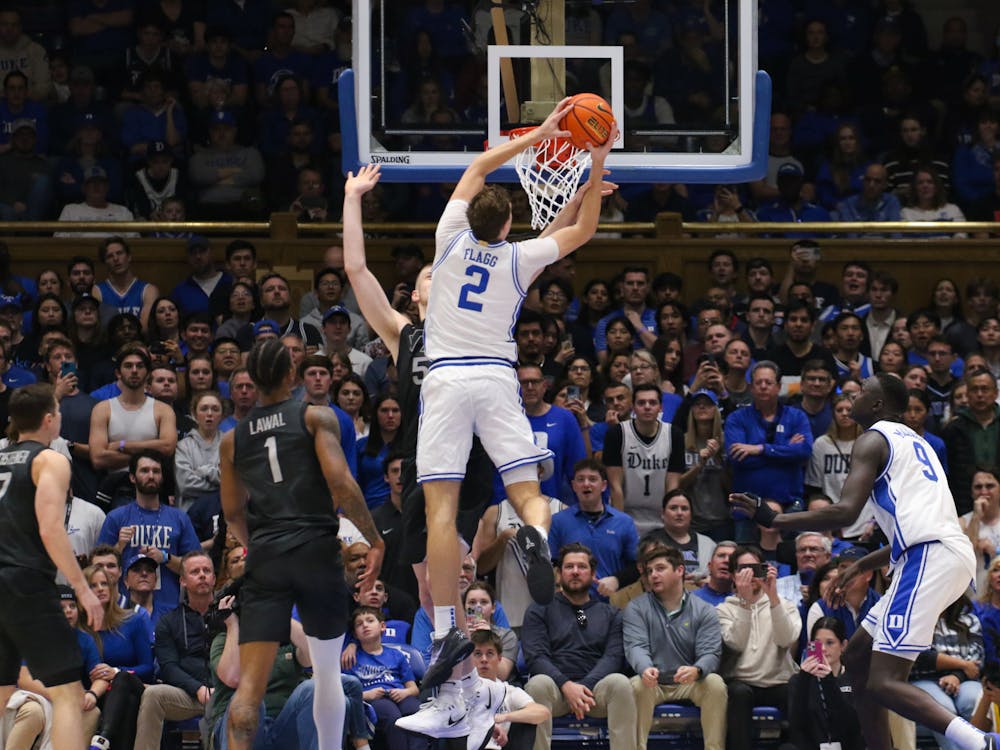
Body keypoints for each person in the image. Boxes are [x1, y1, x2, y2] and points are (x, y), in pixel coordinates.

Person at [730, 373, 991, 750]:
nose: (852, 393)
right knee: (857, 655)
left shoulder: (874, 438)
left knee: (885, 681)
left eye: (862, 390)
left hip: (929, 557)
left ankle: (978, 742)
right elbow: (921, 528)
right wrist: (863, 563)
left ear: (879, 405)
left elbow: (845, 512)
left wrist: (775, 520)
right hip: (939, 552)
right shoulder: (919, 445)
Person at [219, 339, 383, 750]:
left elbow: (233, 512)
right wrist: (374, 539)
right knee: (327, 674)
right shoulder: (315, 417)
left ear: (251, 382)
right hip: (315, 548)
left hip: (267, 555)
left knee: (247, 695)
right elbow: (342, 483)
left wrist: (258, 546)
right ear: (291, 375)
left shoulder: (232, 440)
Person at [0, 383, 103, 750]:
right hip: (24, 582)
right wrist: (82, 588)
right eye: (59, 411)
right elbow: (50, 527)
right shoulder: (50, 459)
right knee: (68, 695)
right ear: (50, 420)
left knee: (0, 693)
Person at [521, 543, 637, 750]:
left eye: (582, 567)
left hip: (595, 692)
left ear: (593, 574)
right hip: (555, 690)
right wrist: (566, 685)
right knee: (537, 684)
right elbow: (536, 657)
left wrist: (583, 687)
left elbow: (613, 657)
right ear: (559, 574)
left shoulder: (611, 614)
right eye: (569, 567)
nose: (575, 572)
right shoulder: (539, 609)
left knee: (620, 683)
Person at [623, 544, 726, 750]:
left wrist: (697, 669)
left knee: (715, 684)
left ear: (680, 570)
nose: (653, 575)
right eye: (650, 571)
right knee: (634, 686)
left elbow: (711, 652)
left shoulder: (704, 610)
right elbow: (635, 645)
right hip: (653, 681)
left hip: (690, 680)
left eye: (660, 569)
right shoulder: (636, 607)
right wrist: (644, 668)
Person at [718, 545, 802, 750]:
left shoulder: (785, 605)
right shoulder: (723, 610)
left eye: (754, 569)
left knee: (798, 686)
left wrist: (773, 599)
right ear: (733, 576)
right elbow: (735, 643)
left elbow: (786, 639)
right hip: (742, 682)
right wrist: (745, 604)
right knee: (738, 693)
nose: (750, 575)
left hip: (778, 680)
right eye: (743, 570)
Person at [97, 450, 201, 612]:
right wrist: (119, 546)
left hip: (169, 609)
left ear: (162, 477)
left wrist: (166, 558)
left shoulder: (179, 518)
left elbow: (196, 568)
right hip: (122, 610)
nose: (151, 476)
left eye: (156, 471)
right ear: (132, 477)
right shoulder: (115, 518)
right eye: (144, 470)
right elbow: (98, 570)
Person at [133, 551, 217, 750]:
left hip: (228, 692)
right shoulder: (169, 621)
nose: (202, 575)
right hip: (189, 694)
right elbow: (169, 667)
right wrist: (198, 689)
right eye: (195, 571)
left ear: (214, 578)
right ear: (183, 581)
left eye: (207, 570)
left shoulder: (231, 613)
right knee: (154, 695)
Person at [604, 383, 685, 536]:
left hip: (661, 517)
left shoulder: (674, 435)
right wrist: (620, 527)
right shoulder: (617, 434)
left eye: (652, 403)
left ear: (661, 407)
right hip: (627, 514)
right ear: (633, 407)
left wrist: (670, 523)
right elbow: (616, 488)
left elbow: (673, 486)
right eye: (641, 403)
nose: (647, 407)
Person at [784, 617, 865, 750]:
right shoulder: (798, 680)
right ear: (810, 645)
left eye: (829, 643)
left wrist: (829, 681)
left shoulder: (855, 679)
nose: (822, 649)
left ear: (843, 646)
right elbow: (796, 726)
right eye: (817, 643)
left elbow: (852, 726)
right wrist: (804, 679)